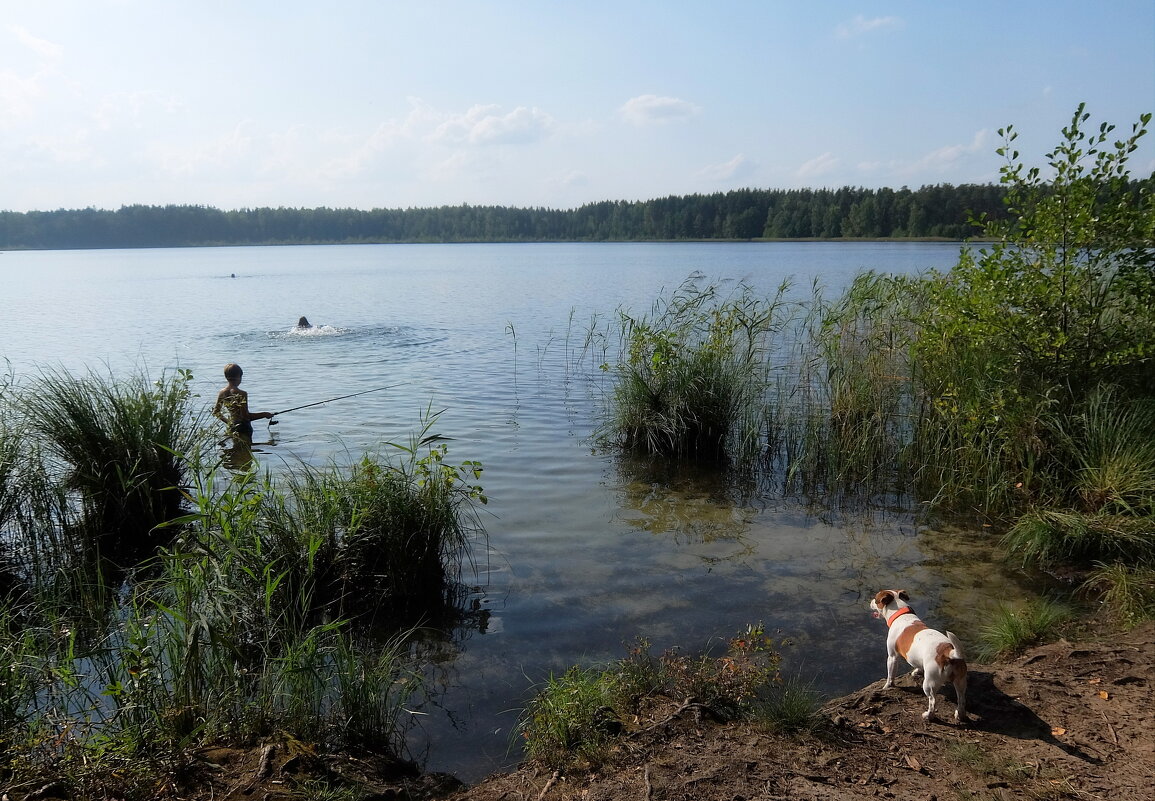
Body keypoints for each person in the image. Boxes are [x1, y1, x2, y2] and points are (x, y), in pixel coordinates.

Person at [213, 363, 274, 437]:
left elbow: (216, 412)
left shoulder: (222, 393)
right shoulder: (242, 393)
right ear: (239, 376)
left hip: (233, 427)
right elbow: (246, 417)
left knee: (236, 447)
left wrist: (229, 423)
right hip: (244, 428)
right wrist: (264, 414)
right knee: (246, 447)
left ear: (226, 377)